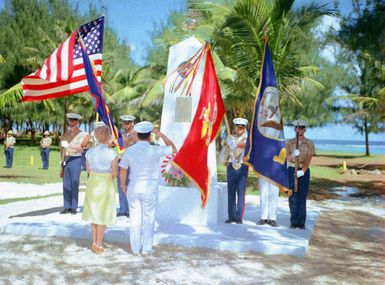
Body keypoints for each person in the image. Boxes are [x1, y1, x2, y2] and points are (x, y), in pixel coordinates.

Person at [119, 121, 176, 255]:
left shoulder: (129, 150)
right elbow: (173, 149)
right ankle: (146, 248)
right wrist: (161, 135)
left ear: (137, 135)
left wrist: (123, 185)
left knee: (134, 218)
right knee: (149, 218)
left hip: (133, 186)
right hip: (149, 186)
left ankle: (135, 248)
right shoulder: (155, 149)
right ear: (150, 136)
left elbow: (123, 169)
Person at [82, 123, 118, 254]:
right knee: (102, 214)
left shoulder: (90, 152)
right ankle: (98, 244)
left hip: (93, 183)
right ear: (108, 136)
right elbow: (114, 174)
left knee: (93, 213)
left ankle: (94, 242)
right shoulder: (112, 153)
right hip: (106, 183)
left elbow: (88, 170)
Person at [286, 120, 315, 229]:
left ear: (305, 129)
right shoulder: (290, 142)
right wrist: (293, 154)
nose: (298, 130)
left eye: (301, 127)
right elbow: (286, 158)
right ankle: (294, 221)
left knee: (302, 196)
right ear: (294, 129)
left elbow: (309, 158)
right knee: (292, 196)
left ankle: (301, 222)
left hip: (303, 169)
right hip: (292, 169)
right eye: (297, 128)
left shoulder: (309, 143)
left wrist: (303, 171)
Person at [60, 113, 90, 215]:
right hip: (67, 158)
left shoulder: (83, 134)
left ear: (77, 122)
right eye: (69, 121)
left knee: (74, 182)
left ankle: (74, 206)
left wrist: (68, 145)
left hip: (76, 158)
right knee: (66, 183)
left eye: (73, 121)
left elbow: (80, 148)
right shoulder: (66, 134)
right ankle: (67, 206)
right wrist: (62, 162)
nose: (70, 123)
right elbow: (62, 149)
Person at [224, 118, 249, 224]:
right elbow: (224, 149)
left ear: (244, 128)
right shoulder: (230, 137)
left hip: (242, 166)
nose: (239, 129)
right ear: (234, 127)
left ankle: (239, 217)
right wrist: (228, 142)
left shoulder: (246, 138)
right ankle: (231, 216)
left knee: (241, 192)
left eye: (241, 127)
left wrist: (237, 144)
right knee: (231, 192)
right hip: (231, 166)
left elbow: (247, 146)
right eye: (237, 126)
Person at [117, 114, 137, 217]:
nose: (126, 125)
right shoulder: (119, 134)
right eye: (124, 123)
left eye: (128, 123)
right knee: (121, 185)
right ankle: (122, 209)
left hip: (132, 163)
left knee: (131, 186)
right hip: (121, 162)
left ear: (132, 123)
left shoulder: (137, 134)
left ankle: (130, 210)